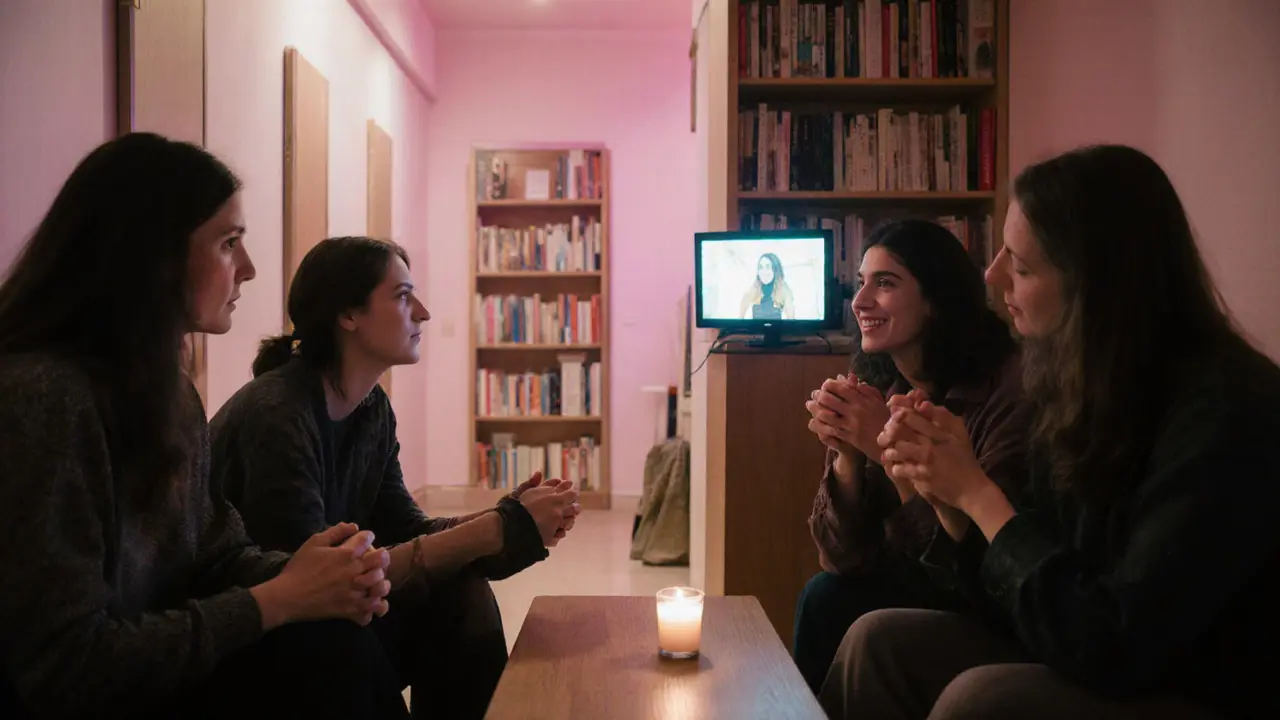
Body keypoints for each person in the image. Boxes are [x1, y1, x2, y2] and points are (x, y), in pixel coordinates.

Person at [822, 144, 1280, 719]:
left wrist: (976, 494)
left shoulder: (1225, 413)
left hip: (1190, 685)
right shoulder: (1085, 386)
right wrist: (944, 499)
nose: (991, 278)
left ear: (1096, 283)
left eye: (1021, 265)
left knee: (980, 701)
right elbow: (1002, 596)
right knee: (877, 641)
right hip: (1081, 643)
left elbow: (1114, 644)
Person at [0, 133, 407, 719]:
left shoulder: (169, 395)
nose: (248, 268)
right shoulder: (44, 402)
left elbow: (215, 555)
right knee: (329, 652)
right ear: (150, 254)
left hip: (153, 669)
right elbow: (64, 667)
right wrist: (277, 600)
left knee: (342, 633)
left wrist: (311, 573)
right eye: (228, 243)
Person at [209, 236, 582, 720]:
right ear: (348, 314)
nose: (423, 312)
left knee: (458, 593)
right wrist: (498, 526)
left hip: (326, 621)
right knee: (352, 633)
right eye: (403, 296)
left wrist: (511, 519)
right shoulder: (276, 414)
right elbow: (311, 586)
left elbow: (407, 530)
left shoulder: (371, 408)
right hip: (271, 643)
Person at [795, 219, 1030, 692]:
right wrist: (847, 458)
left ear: (934, 300)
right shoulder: (876, 380)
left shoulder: (1006, 391)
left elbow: (968, 576)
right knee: (824, 595)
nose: (860, 302)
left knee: (857, 619)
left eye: (884, 283)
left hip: (984, 600)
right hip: (914, 581)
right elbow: (838, 558)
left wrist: (887, 451)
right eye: (862, 283)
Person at [738, 251, 796, 319]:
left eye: (768, 267)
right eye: (761, 267)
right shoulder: (752, 290)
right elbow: (740, 319)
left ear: (775, 270)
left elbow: (791, 321)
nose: (763, 272)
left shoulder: (784, 291)